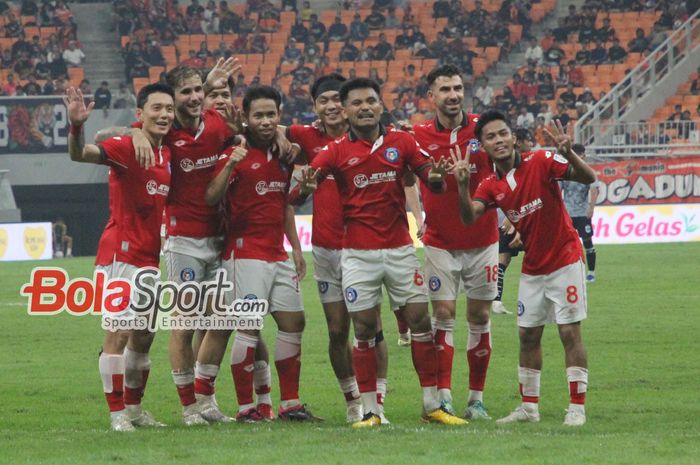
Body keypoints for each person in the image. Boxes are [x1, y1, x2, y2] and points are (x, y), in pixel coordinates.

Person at [294, 78, 467, 428]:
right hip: (357, 255)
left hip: (401, 250)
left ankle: (433, 404)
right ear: (346, 110)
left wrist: (437, 176)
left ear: (381, 104)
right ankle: (371, 410)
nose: (364, 107)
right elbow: (302, 189)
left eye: (371, 100)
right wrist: (305, 186)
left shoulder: (402, 141)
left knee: (420, 322)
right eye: (356, 103)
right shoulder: (336, 150)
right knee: (364, 329)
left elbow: (430, 179)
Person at [452, 111, 595, 427]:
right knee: (528, 335)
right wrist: (462, 187)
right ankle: (529, 408)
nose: (499, 140)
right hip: (533, 266)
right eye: (491, 137)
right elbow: (469, 216)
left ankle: (577, 408)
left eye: (503, 133)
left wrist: (567, 151)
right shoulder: (491, 185)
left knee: (569, 331)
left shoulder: (541, 160)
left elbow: (588, 177)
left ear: (512, 137)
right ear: (483, 146)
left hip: (565, 259)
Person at [64, 83, 175, 431]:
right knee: (118, 334)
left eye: (169, 109)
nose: (165, 115)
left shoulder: (166, 154)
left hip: (148, 259)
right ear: (140, 114)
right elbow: (80, 155)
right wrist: (76, 127)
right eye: (156, 108)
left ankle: (135, 409)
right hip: (120, 255)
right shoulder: (127, 147)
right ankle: (117, 415)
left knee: (144, 336)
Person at [206, 85, 318, 422]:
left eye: (272, 114)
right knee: (249, 326)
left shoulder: (285, 156)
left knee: (294, 321)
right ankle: (246, 408)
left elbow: (283, 202)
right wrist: (229, 167)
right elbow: (211, 198)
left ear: (280, 116)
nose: (266, 121)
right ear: (247, 118)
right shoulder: (234, 152)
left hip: (276, 251)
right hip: (244, 252)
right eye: (259, 115)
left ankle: (290, 404)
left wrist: (296, 247)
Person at [411, 65, 498, 419]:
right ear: (431, 96)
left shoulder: (484, 130)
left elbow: (508, 169)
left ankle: (476, 399)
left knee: (479, 315)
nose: (453, 95)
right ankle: (444, 394)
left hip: (483, 239)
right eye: (444, 89)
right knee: (443, 314)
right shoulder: (416, 135)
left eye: (458, 88)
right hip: (439, 241)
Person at [492, 128, 531, 315]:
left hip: (528, 217)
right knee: (503, 258)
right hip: (509, 218)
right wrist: (510, 218)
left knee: (535, 258)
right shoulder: (508, 164)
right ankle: (496, 301)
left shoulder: (530, 163)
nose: (530, 144)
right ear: (518, 141)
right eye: (528, 140)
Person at [560, 143, 598, 283]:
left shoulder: (588, 171)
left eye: (582, 154)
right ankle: (568, 272)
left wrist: (591, 208)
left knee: (587, 241)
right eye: (578, 154)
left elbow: (594, 189)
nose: (581, 157)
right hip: (567, 213)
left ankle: (591, 272)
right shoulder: (565, 171)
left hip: (582, 212)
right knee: (566, 243)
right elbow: (558, 191)